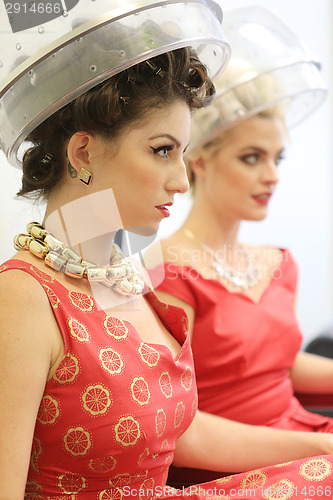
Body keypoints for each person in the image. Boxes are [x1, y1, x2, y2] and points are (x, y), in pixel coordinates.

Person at [2, 2, 333, 499]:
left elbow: (184, 433)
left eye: (182, 151)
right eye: (162, 150)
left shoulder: (118, 276)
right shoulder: (22, 299)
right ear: (83, 152)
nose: (181, 180)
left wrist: (321, 450)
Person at [154, 6, 333, 487]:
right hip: (238, 465)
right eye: (252, 157)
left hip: (305, 432)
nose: (272, 175)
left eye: (277, 158)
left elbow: (278, 362)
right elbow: (177, 421)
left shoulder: (278, 264)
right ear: (203, 160)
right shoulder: (168, 271)